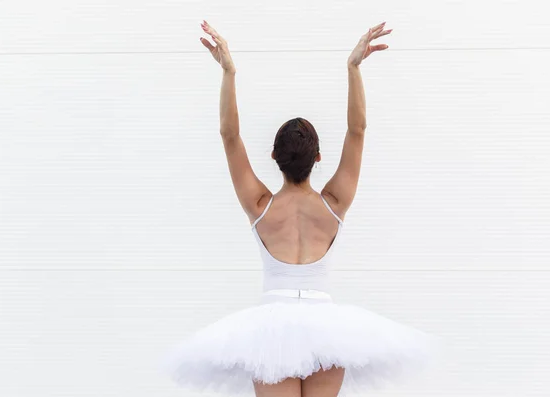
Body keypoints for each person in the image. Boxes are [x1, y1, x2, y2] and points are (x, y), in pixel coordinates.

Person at [161, 20, 438, 397]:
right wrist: (353, 68)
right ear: (318, 157)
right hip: (328, 330)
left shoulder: (260, 205)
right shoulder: (334, 204)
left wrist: (229, 72)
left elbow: (230, 136)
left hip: (271, 333)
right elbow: (358, 131)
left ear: (274, 156)